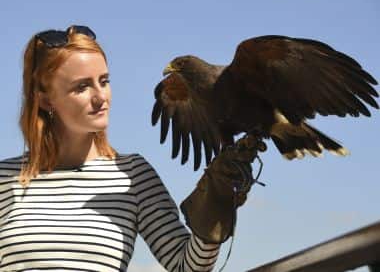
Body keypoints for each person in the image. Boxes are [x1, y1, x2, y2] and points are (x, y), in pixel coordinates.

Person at [0, 25, 257, 272]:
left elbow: (187, 266)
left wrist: (213, 208)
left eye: (104, 81)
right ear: (45, 100)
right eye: (82, 86)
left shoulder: (133, 175)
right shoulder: (5, 178)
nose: (101, 96)